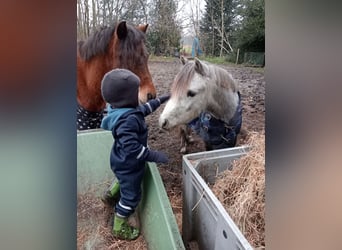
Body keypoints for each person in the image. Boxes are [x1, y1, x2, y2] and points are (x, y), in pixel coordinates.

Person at [100, 68, 170, 240]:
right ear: (127, 97)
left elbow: (143, 109)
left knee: (123, 180)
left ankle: (111, 194)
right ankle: (119, 224)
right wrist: (154, 156)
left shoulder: (123, 110)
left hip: (120, 160)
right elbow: (132, 149)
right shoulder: (128, 121)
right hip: (129, 164)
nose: (139, 93)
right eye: (136, 91)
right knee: (132, 196)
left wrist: (161, 100)